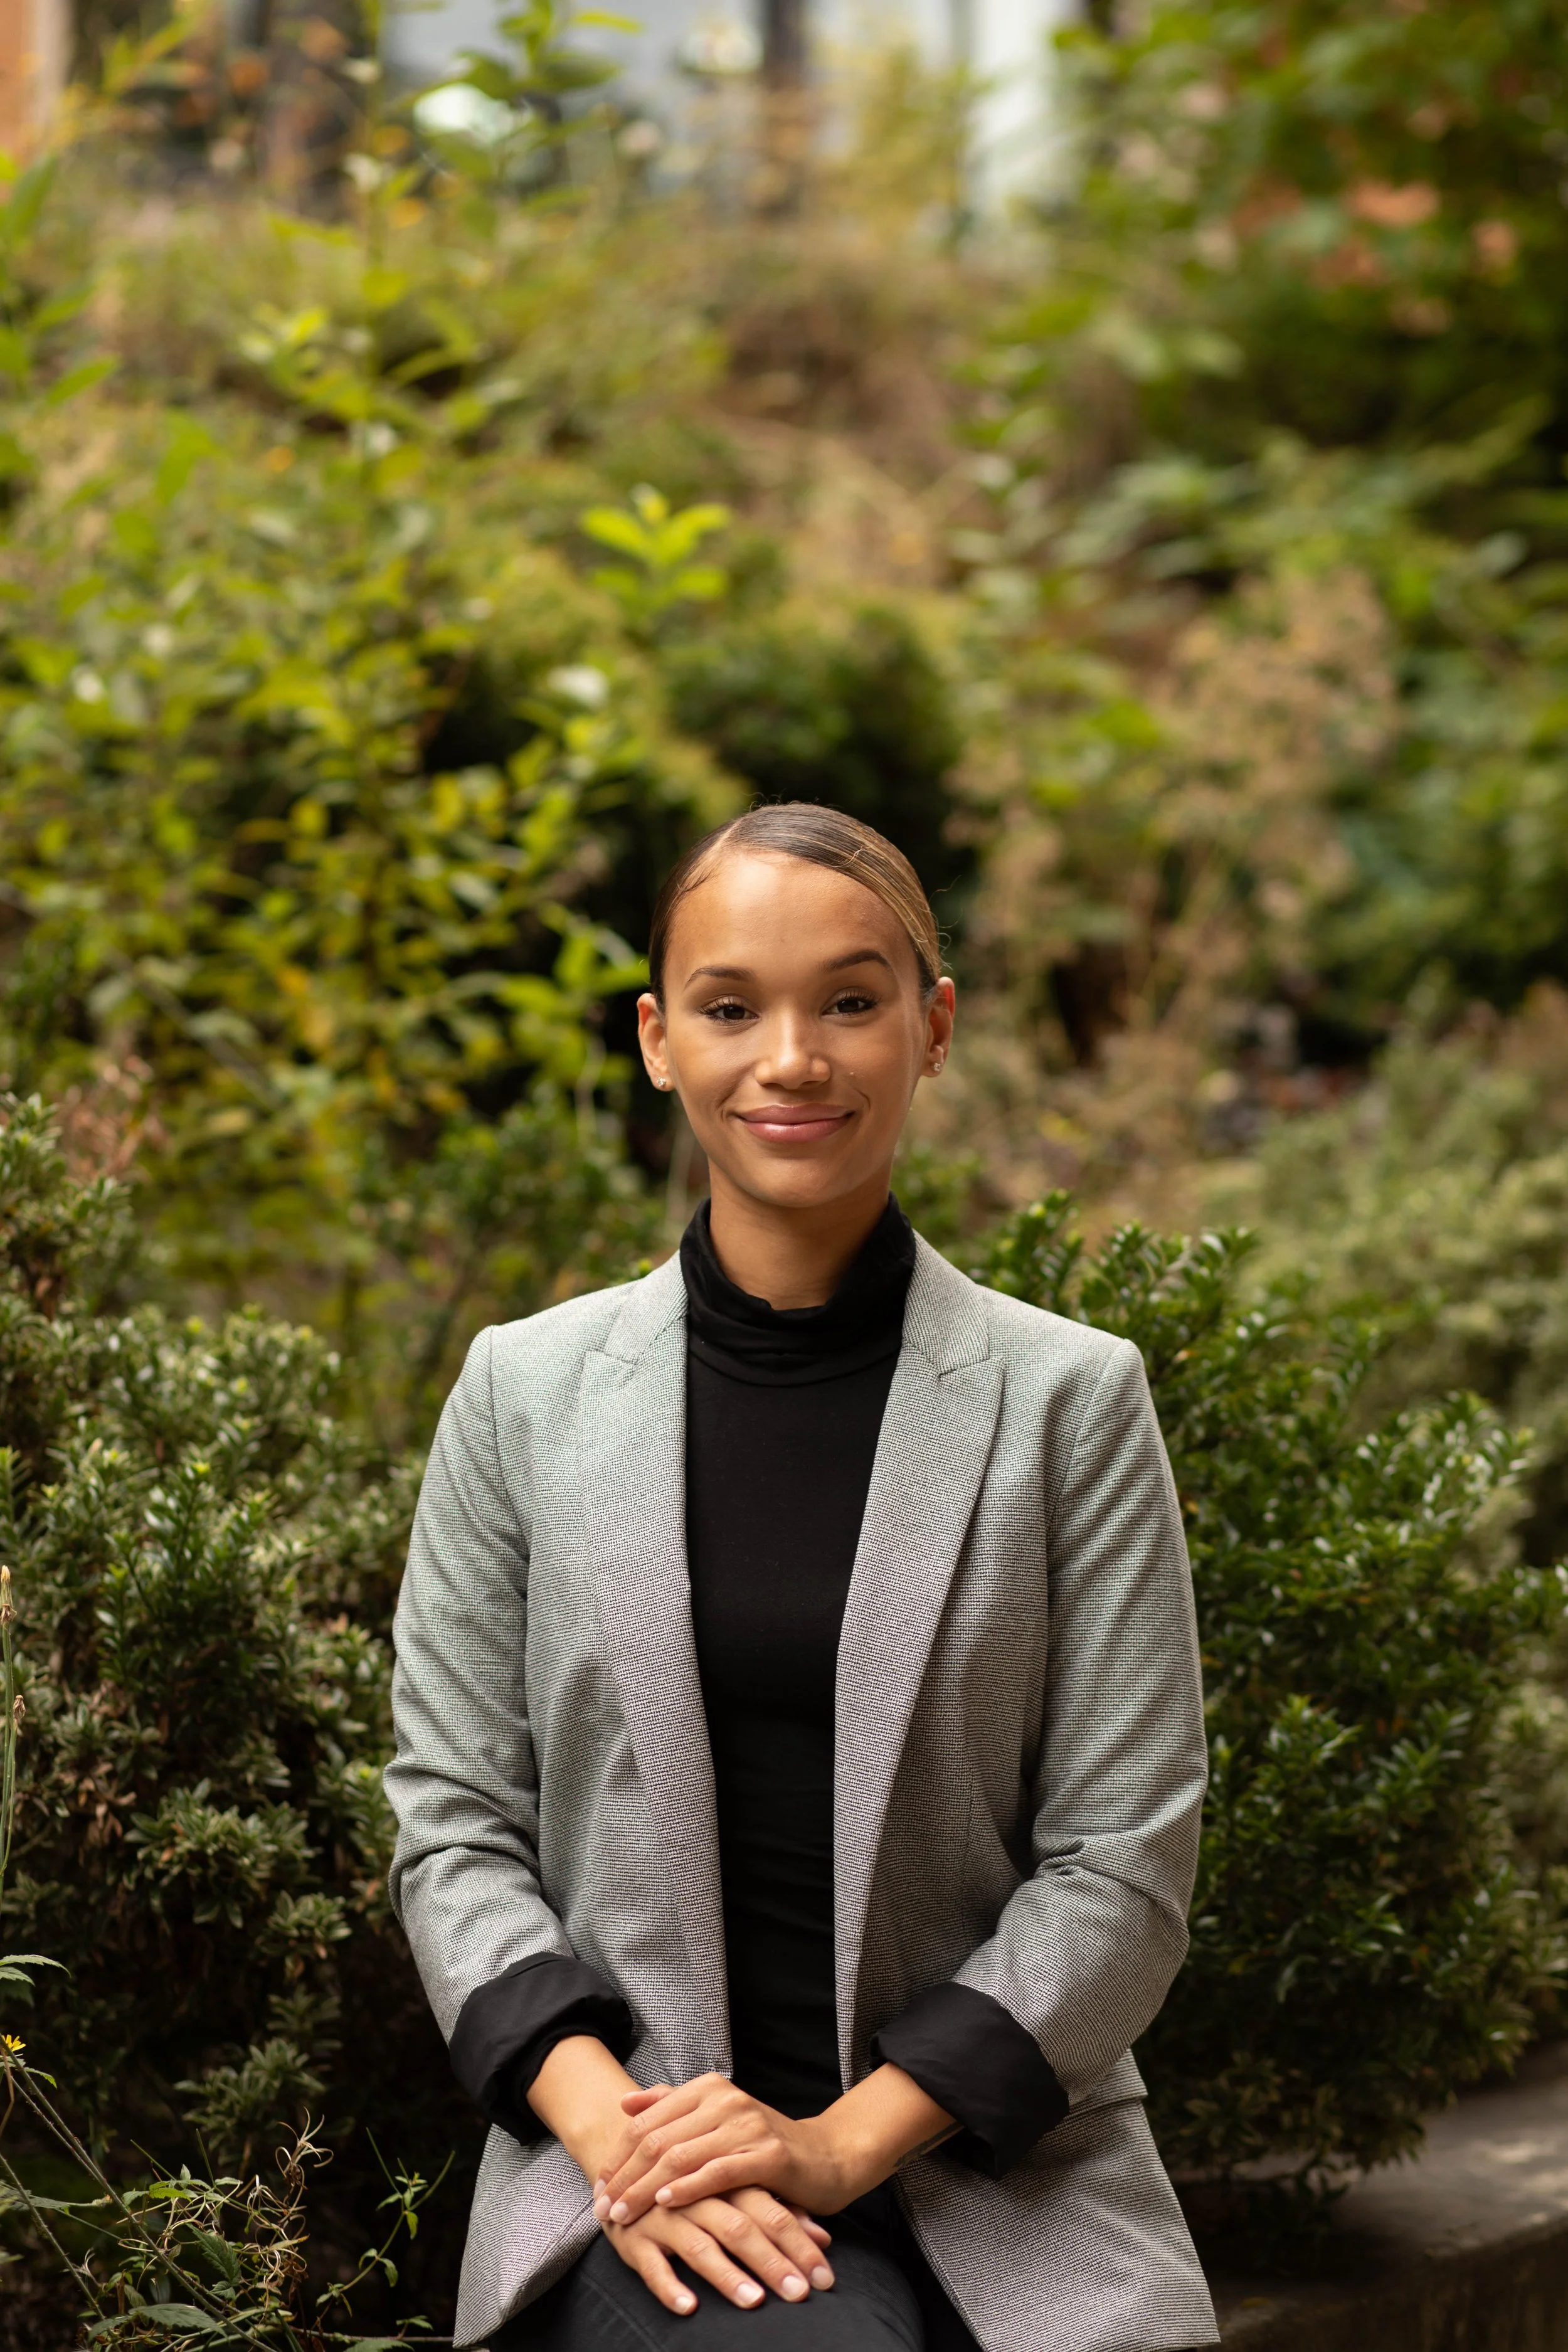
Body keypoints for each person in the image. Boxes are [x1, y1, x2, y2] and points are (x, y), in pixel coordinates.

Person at [386, 804, 1219, 2352]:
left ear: (932, 1025)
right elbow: (453, 1828)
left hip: (995, 2163)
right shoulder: (522, 1396)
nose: (791, 1057)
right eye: (727, 1006)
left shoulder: (1068, 1404)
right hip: (643, 2169)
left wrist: (837, 2145)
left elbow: (1118, 1864)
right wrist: (627, 2139)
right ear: (655, 1039)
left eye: (849, 999)